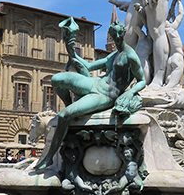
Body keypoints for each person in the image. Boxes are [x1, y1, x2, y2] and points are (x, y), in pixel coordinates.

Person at [35, 20, 146, 170]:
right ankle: (71, 107)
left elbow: (142, 80)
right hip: (95, 82)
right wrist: (72, 51)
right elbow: (88, 66)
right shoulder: (113, 55)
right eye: (114, 34)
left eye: (120, 34)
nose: (117, 37)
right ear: (111, 35)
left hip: (107, 95)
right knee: (56, 79)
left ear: (124, 34)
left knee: (64, 115)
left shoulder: (130, 55)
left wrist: (130, 92)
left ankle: (49, 157)